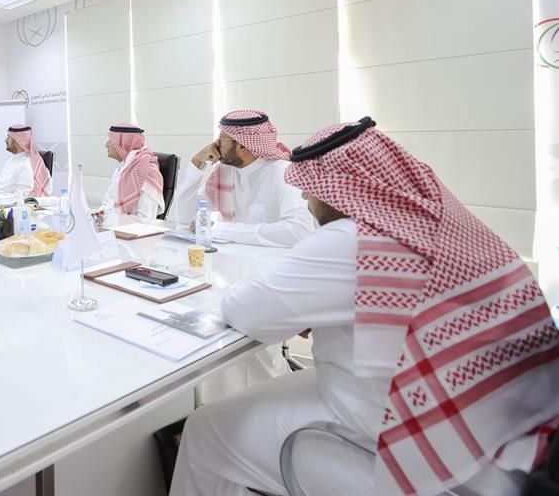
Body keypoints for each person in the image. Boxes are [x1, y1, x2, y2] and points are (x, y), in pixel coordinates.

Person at [170, 117, 559, 496]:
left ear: (338, 187)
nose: (304, 196)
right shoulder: (443, 224)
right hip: (499, 429)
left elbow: (242, 310)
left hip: (419, 444)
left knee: (204, 431)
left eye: (311, 187)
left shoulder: (351, 239)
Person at [172, 109, 315, 247]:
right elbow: (186, 218)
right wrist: (197, 162)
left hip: (274, 260)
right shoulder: (225, 170)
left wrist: (220, 229)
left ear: (242, 146)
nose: (215, 145)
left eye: (222, 139)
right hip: (236, 257)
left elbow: (298, 231)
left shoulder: (284, 173)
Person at [97, 124, 164, 220]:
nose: (106, 145)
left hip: (130, 228)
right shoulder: (123, 168)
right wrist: (97, 215)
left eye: (111, 140)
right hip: (113, 225)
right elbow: (108, 203)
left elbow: (146, 219)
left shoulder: (147, 172)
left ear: (123, 144)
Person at [0, 125, 52, 197]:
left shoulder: (25, 165)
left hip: (5, 202)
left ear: (17, 140)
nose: (5, 141)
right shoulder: (12, 160)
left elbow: (20, 196)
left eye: (8, 137)